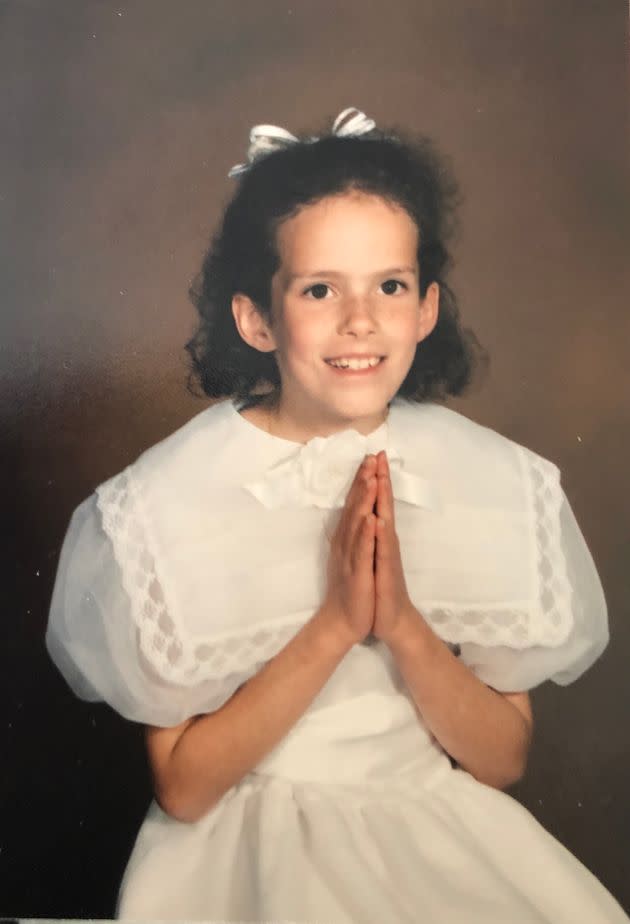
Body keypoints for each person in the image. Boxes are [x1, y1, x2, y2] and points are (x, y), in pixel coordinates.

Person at [46, 108, 628, 923]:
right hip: (249, 838)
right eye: (320, 289)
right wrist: (334, 624)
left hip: (428, 822)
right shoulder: (174, 495)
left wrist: (400, 623)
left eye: (389, 286)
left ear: (425, 308)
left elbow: (500, 761)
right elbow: (183, 788)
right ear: (256, 318)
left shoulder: (486, 476)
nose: (361, 321)